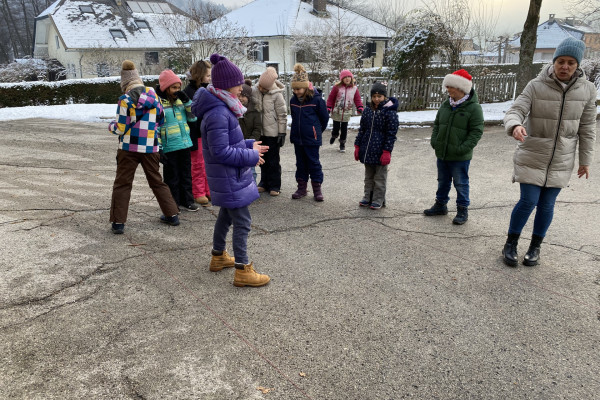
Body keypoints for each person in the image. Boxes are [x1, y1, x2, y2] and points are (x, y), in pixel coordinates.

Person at [502, 37, 596, 267]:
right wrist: (515, 125)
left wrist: (585, 160)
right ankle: (511, 243)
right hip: (533, 153)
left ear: (578, 65)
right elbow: (516, 109)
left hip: (562, 158)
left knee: (546, 205)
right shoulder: (536, 85)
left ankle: (535, 247)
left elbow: (587, 128)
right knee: (528, 201)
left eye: (571, 63)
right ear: (554, 62)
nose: (565, 67)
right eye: (561, 61)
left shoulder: (588, 90)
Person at [191, 53, 270, 287]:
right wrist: (251, 156)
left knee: (226, 217)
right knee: (243, 222)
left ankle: (218, 256)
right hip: (229, 177)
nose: (241, 89)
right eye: (238, 85)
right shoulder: (218, 112)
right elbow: (221, 152)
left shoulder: (222, 107)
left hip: (228, 177)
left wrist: (248, 144)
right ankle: (243, 270)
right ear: (226, 86)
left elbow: (226, 144)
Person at [108, 60, 180, 234]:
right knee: (156, 181)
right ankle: (172, 215)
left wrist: (111, 126)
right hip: (151, 148)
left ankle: (118, 223)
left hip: (128, 148)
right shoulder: (155, 97)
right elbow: (161, 120)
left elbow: (121, 128)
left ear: (125, 84)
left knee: (123, 183)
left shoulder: (125, 100)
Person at [423, 69, 484, 224]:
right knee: (442, 180)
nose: (448, 89)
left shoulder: (474, 108)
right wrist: (435, 141)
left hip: (460, 156)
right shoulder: (446, 105)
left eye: (451, 86)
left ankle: (462, 210)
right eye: (447, 86)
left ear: (462, 88)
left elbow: (476, 132)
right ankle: (440, 205)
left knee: (460, 182)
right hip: (442, 152)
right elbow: (437, 124)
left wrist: (462, 148)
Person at [156, 69, 198, 212]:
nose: (177, 90)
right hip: (170, 145)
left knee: (186, 174)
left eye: (178, 87)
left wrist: (187, 102)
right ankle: (173, 202)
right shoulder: (158, 103)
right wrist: (159, 147)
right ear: (165, 88)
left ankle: (188, 200)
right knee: (172, 177)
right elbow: (156, 127)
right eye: (174, 87)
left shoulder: (181, 100)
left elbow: (193, 118)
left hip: (184, 143)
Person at [353, 82, 399, 210]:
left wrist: (387, 151)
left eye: (379, 96)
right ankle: (368, 197)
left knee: (379, 178)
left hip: (380, 150)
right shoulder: (367, 110)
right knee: (368, 177)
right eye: (374, 96)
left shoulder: (390, 112)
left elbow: (391, 134)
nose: (376, 99)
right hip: (367, 150)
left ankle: (378, 199)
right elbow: (362, 129)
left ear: (384, 96)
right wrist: (357, 146)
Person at [289, 63, 329, 201]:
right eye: (294, 89)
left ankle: (317, 189)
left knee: (314, 163)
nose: (296, 92)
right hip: (298, 139)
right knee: (300, 164)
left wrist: (315, 131)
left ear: (306, 87)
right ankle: (301, 188)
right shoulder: (293, 101)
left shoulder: (317, 100)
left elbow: (324, 119)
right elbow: (294, 118)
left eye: (299, 89)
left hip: (311, 139)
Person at [252, 67, 288, 196]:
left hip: (272, 133)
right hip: (259, 132)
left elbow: (282, 115)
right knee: (262, 160)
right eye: (260, 86)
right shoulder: (255, 91)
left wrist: (282, 132)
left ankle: (275, 185)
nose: (261, 89)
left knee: (273, 160)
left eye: (264, 88)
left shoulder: (277, 95)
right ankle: (264, 182)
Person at [183, 60, 211, 207]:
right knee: (198, 164)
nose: (209, 78)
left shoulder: (206, 90)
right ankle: (198, 192)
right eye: (207, 75)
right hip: (195, 134)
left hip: (205, 133)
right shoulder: (189, 92)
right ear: (200, 76)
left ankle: (207, 189)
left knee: (206, 163)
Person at [327, 69, 364, 153]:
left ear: (351, 78)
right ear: (342, 79)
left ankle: (342, 144)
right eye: (345, 77)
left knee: (344, 129)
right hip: (337, 111)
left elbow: (357, 99)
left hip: (347, 112)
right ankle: (334, 135)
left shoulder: (354, 88)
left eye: (349, 77)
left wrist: (360, 107)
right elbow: (331, 98)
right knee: (336, 127)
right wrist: (328, 107)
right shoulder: (337, 87)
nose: (347, 79)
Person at [238, 79, 262, 184]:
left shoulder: (254, 111)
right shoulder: (235, 110)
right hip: (238, 144)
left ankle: (252, 186)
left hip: (250, 144)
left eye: (243, 96)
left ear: (248, 97)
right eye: (239, 96)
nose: (240, 98)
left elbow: (257, 128)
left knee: (251, 169)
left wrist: (251, 141)